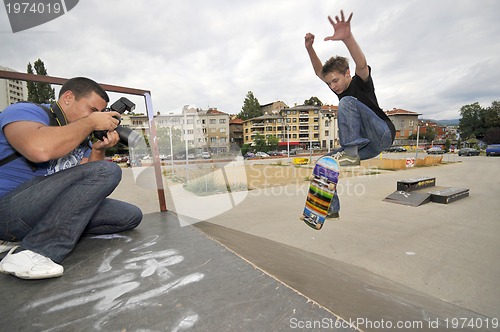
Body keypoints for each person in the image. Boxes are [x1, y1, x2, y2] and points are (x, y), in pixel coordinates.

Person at [0, 77, 142, 279]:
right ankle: (34, 252)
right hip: (7, 209)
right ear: (67, 98)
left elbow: (87, 184)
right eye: (93, 110)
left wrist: (98, 148)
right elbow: (39, 150)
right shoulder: (26, 112)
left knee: (129, 215)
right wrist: (91, 122)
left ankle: (18, 240)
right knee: (108, 170)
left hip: (38, 214)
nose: (97, 117)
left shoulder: (80, 137)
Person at [305, 10, 395, 217]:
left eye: (335, 81)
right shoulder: (336, 87)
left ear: (347, 74)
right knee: (323, 164)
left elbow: (361, 64)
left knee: (345, 102)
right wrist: (310, 49)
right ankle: (330, 208)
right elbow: (320, 72)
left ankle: (350, 151)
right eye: (329, 84)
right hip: (369, 146)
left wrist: (347, 38)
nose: (333, 86)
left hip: (381, 132)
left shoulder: (359, 82)